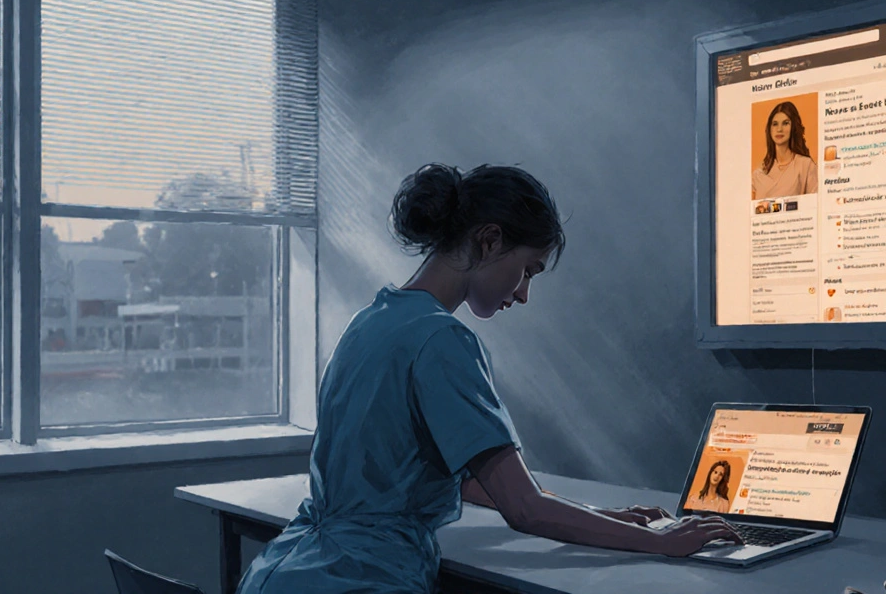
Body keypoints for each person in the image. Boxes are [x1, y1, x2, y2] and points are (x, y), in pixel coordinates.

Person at [236, 163, 742, 594]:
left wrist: (604, 517)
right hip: (362, 579)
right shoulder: (443, 341)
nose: (522, 294)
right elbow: (524, 509)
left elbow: (470, 484)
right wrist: (662, 541)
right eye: (528, 271)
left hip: (284, 570)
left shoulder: (370, 321)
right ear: (490, 240)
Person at [751, 101, 818, 199]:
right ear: (769, 129)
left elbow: (815, 204)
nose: (779, 129)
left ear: (793, 127)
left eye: (785, 123)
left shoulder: (806, 165)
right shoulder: (758, 174)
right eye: (775, 124)